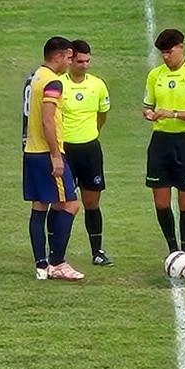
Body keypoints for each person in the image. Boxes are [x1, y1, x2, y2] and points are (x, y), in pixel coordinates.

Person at [143, 29, 185, 256]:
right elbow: (148, 106)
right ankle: (173, 248)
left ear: (181, 47)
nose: (165, 57)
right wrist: (150, 114)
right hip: (160, 141)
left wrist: (172, 114)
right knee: (161, 201)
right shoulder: (155, 76)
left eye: (169, 52)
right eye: (162, 53)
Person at [23, 36, 82, 281]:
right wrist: (57, 156)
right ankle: (57, 262)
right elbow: (48, 120)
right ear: (57, 56)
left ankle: (41, 265)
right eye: (68, 57)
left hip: (31, 151)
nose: (70, 63)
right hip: (47, 153)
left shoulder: (34, 77)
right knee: (70, 204)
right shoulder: (53, 82)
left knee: (40, 206)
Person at [61, 39, 113, 267]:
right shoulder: (58, 84)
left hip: (90, 150)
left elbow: (102, 116)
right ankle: (57, 253)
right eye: (80, 61)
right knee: (62, 203)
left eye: (87, 61)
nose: (84, 65)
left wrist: (91, 133)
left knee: (92, 203)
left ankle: (97, 251)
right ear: (70, 59)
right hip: (65, 151)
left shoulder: (98, 85)